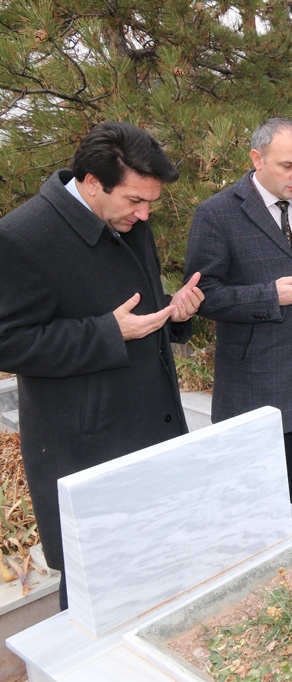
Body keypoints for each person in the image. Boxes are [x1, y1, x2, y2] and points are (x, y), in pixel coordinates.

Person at [0, 122, 204, 608]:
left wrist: (173, 314)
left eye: (150, 202)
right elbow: (7, 342)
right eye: (135, 200)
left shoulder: (127, 219)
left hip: (153, 431)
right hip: (86, 449)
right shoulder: (21, 236)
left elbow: (139, 311)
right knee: (98, 593)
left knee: (161, 575)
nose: (145, 212)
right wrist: (105, 333)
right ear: (92, 181)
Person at [185, 118, 292, 516]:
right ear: (257, 159)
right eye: (287, 166)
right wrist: (269, 296)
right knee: (257, 507)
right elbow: (203, 295)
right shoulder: (217, 214)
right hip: (253, 389)